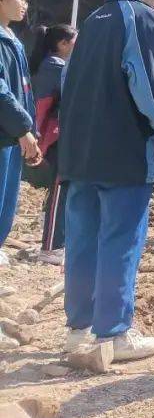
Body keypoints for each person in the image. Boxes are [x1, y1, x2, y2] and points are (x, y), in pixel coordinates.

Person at [59, 0, 154, 365]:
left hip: (81, 153)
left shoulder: (92, 21)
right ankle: (114, 332)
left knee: (82, 240)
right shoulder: (145, 20)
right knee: (120, 238)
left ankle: (78, 330)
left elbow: (69, 86)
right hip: (124, 152)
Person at [0, 0, 41, 265]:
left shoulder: (10, 38)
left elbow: (22, 89)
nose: (25, 4)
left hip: (12, 132)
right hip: (6, 131)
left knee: (8, 196)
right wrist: (23, 127)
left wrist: (28, 129)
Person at [28, 23, 77, 265]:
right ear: (63, 44)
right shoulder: (55, 68)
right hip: (57, 137)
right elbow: (43, 107)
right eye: (75, 42)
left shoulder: (54, 65)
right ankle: (51, 247)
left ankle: (58, 243)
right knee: (59, 190)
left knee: (63, 189)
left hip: (61, 135)